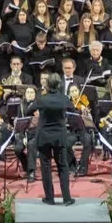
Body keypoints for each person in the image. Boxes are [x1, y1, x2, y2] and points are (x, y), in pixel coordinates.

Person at [29, 74, 75, 205]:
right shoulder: (64, 99)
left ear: (47, 85)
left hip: (44, 136)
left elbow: (29, 111)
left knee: (46, 166)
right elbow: (72, 109)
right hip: (59, 137)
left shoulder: (41, 99)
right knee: (63, 166)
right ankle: (67, 198)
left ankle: (49, 198)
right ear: (59, 85)